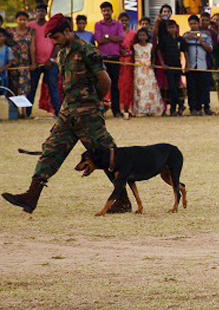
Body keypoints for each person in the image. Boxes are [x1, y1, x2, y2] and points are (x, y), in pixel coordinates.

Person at [2, 14, 131, 214]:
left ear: (67, 31)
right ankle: (31, 196)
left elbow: (105, 81)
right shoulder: (62, 54)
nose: (54, 42)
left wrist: (95, 102)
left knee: (107, 156)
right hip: (68, 114)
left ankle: (122, 200)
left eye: (56, 37)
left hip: (88, 116)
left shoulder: (88, 51)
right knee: (51, 151)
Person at [26, 3, 61, 117]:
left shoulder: (50, 25)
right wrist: (32, 62)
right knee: (32, 88)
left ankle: (58, 112)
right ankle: (27, 113)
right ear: (34, 12)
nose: (40, 13)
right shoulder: (30, 26)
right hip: (35, 64)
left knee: (53, 87)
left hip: (50, 63)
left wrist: (51, 59)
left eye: (43, 11)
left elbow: (57, 44)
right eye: (38, 11)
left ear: (46, 12)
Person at [94, 1, 125, 117]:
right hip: (103, 59)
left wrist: (106, 36)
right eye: (104, 10)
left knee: (115, 85)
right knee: (101, 85)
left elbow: (121, 38)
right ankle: (99, 110)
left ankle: (116, 111)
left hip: (115, 58)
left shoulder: (118, 25)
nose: (106, 13)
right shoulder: (98, 25)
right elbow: (99, 40)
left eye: (108, 10)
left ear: (112, 11)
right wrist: (112, 38)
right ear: (101, 12)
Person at [182, 15, 213, 116]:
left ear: (198, 23)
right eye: (191, 24)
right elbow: (183, 49)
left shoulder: (206, 36)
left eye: (195, 23)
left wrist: (201, 42)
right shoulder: (185, 36)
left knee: (202, 87)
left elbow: (210, 49)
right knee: (191, 88)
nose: (193, 26)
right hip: (190, 66)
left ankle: (201, 107)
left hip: (202, 65)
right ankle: (192, 108)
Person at [131, 27, 165, 116]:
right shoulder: (135, 47)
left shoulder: (150, 46)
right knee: (140, 89)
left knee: (151, 88)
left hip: (148, 70)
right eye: (140, 35)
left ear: (147, 36)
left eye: (144, 35)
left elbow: (153, 56)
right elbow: (132, 58)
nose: (142, 37)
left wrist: (152, 64)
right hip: (139, 70)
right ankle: (141, 109)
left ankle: (153, 109)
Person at [9, 11, 35, 117]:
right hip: (13, 64)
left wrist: (33, 62)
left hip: (25, 64)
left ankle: (24, 112)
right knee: (13, 87)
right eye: (20, 19)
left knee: (24, 88)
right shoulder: (10, 32)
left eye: (24, 19)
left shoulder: (31, 32)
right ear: (16, 20)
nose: (22, 22)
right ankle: (15, 112)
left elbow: (32, 47)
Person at [161, 20, 184, 116]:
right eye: (169, 27)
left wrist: (186, 64)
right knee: (171, 87)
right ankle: (175, 106)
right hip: (168, 66)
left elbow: (184, 51)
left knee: (177, 86)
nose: (171, 29)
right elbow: (159, 51)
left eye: (173, 27)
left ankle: (178, 106)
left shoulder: (180, 39)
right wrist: (162, 63)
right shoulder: (164, 39)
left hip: (177, 65)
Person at [117, 12, 136, 118]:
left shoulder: (132, 34)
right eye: (122, 21)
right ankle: (121, 107)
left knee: (129, 85)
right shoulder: (117, 34)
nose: (124, 23)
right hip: (119, 61)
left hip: (129, 62)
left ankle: (129, 107)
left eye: (126, 21)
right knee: (121, 85)